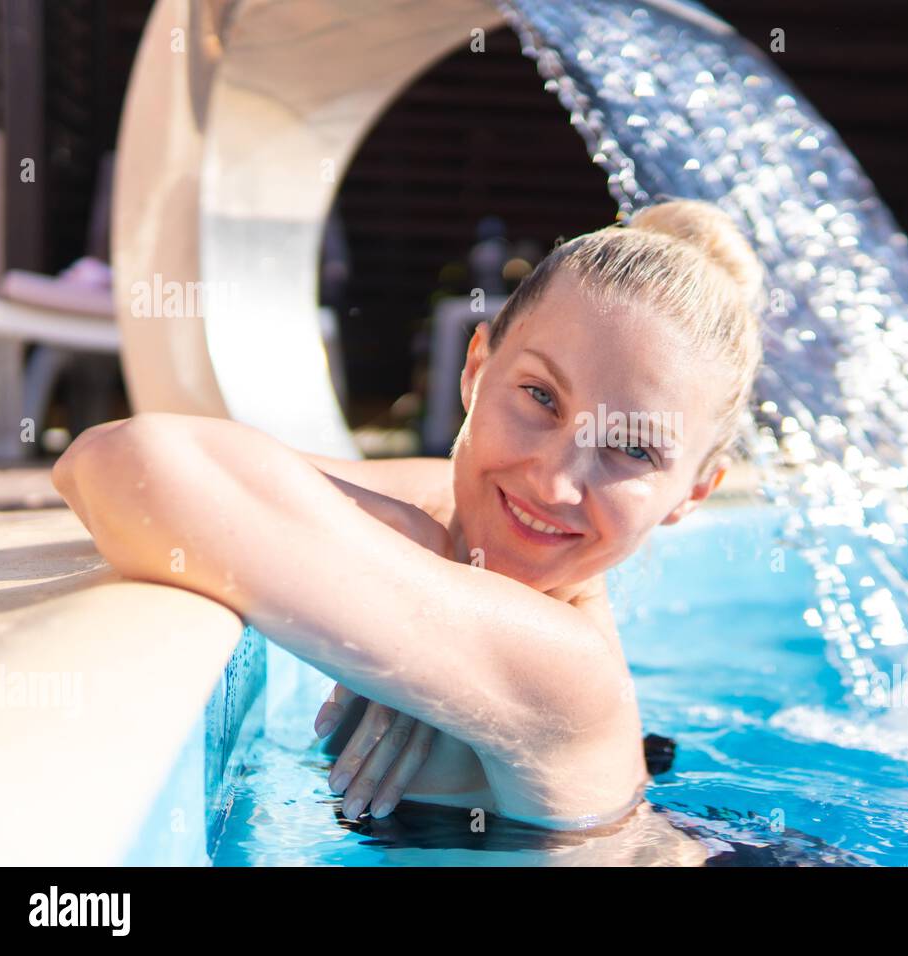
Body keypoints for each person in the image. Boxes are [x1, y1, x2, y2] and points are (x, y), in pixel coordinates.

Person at [51, 199, 765, 845]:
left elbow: (133, 466)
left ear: (693, 493)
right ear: (476, 368)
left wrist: (417, 575)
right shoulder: (466, 516)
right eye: (541, 397)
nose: (553, 480)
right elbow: (110, 464)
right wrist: (424, 574)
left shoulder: (566, 677)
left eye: (632, 447)